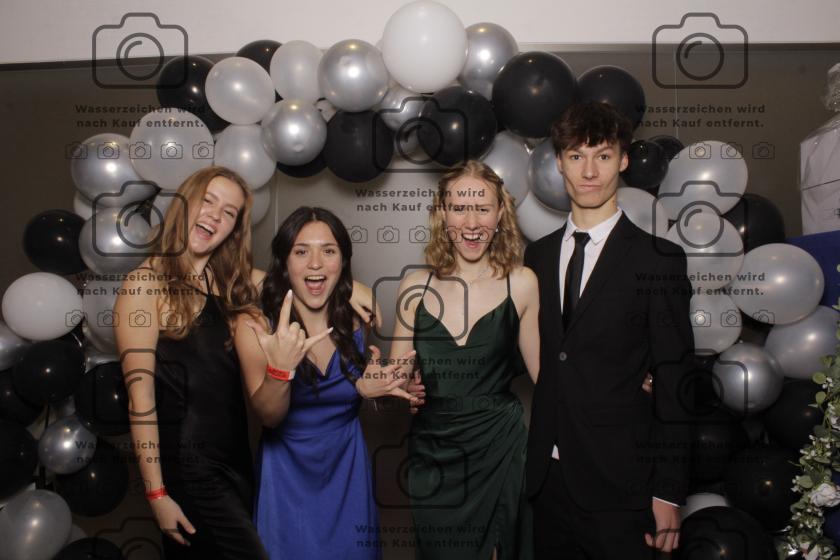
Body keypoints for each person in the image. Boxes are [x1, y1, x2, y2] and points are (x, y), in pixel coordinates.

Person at [115, 170, 378, 559]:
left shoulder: (228, 283)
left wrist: (351, 286)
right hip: (189, 466)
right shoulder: (144, 286)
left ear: (235, 229)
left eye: (229, 212)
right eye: (207, 201)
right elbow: (140, 400)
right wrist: (156, 493)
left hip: (236, 460)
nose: (214, 215)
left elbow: (296, 275)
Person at [524, 102, 695, 559]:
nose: (589, 171)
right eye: (576, 156)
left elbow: (676, 382)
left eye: (602, 155)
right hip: (546, 479)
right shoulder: (536, 257)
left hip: (623, 485)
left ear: (623, 160)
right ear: (559, 163)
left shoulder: (658, 260)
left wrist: (669, 491)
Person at [234, 206, 416, 560]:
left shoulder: (358, 318)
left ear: (343, 261)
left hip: (347, 471)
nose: (315, 263)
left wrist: (368, 391)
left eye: (328, 251)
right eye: (301, 251)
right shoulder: (256, 325)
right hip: (286, 477)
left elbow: (359, 392)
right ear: (284, 262)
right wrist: (281, 369)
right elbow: (269, 416)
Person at [389, 160, 541, 559]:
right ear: (442, 213)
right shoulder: (414, 286)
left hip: (499, 446)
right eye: (459, 208)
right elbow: (397, 376)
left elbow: (548, 379)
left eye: (483, 208)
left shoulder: (522, 283)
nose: (472, 223)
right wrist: (398, 385)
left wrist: (621, 381)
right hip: (434, 454)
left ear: (500, 213)